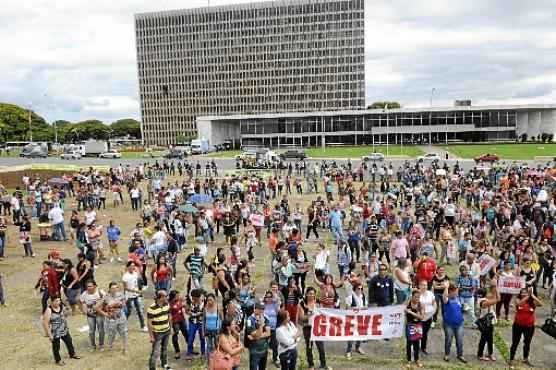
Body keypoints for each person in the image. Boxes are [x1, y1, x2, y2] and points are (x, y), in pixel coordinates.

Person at [508, 288, 542, 368]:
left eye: (525, 293)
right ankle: (511, 359)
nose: (523, 294)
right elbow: (519, 304)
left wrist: (532, 296)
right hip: (518, 325)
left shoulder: (532, 302)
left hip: (529, 326)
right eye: (522, 293)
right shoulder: (517, 299)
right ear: (520, 294)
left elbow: (540, 304)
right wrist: (528, 296)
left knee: (527, 343)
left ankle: (525, 358)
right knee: (515, 343)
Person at [42, 295, 81, 366]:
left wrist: (67, 311)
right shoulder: (49, 310)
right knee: (56, 346)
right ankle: (58, 360)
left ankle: (72, 354)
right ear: (52, 302)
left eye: (59, 300)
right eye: (56, 301)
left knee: (69, 341)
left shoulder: (61, 307)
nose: (58, 302)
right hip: (55, 332)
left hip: (64, 329)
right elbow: (45, 323)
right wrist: (49, 334)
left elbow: (64, 315)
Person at [96, 281, 128, 354]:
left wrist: (118, 304)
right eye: (113, 288)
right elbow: (96, 307)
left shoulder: (121, 295)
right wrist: (105, 314)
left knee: (124, 333)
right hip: (111, 319)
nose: (115, 289)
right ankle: (110, 346)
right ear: (109, 289)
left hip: (121, 317)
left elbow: (124, 304)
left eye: (116, 288)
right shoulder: (106, 297)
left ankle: (125, 347)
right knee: (111, 334)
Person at [147, 289, 173, 370]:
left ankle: (164, 364)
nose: (167, 297)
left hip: (166, 330)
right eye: (165, 296)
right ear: (160, 297)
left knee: (164, 349)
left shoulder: (167, 305)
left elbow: (169, 317)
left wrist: (170, 328)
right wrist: (151, 336)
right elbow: (149, 323)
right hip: (157, 333)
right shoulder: (151, 308)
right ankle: (152, 368)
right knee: (155, 351)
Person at [442, 284, 466, 363]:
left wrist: (464, 308)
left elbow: (461, 309)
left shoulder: (458, 298)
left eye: (457, 292)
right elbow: (444, 298)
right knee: (448, 339)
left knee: (460, 340)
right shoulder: (447, 299)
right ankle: (447, 354)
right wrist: (446, 287)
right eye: (455, 292)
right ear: (450, 292)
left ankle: (460, 355)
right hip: (448, 324)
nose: (456, 293)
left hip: (459, 323)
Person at [80, 280, 105, 350]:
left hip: (99, 314)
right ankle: (93, 345)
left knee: (101, 330)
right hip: (90, 315)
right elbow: (83, 304)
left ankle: (101, 345)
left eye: (90, 286)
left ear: (94, 286)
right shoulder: (84, 294)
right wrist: (85, 311)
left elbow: (105, 300)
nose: (89, 288)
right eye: (87, 286)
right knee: (91, 331)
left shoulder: (100, 292)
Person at [245, 301, 271, 370]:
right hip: (254, 351)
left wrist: (255, 336)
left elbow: (268, 333)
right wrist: (261, 325)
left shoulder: (266, 317)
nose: (262, 311)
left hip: (264, 350)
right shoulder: (249, 320)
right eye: (260, 309)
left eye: (263, 309)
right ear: (255, 309)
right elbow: (255, 335)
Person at [122, 261, 147, 331]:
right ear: (128, 267)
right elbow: (126, 288)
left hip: (136, 295)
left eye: (134, 266)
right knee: (128, 311)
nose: (133, 267)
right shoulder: (125, 276)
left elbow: (137, 284)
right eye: (132, 266)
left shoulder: (135, 274)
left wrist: (139, 290)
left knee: (139, 311)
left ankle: (143, 326)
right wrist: (135, 291)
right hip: (129, 297)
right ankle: (123, 325)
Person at [477, 286, 500, 362]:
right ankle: (480, 355)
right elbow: (497, 299)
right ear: (484, 294)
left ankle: (490, 354)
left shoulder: (482, 299)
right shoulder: (484, 302)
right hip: (486, 323)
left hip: (488, 322)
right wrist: (496, 289)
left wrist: (494, 290)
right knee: (484, 339)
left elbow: (492, 296)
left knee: (490, 339)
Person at [405, 289, 424, 367]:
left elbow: (421, 317)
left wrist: (410, 312)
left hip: (418, 326)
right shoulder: (408, 303)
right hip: (409, 325)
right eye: (415, 297)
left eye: (418, 297)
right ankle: (409, 360)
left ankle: (417, 360)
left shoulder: (421, 305)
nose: (417, 299)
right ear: (412, 297)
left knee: (417, 344)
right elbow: (402, 308)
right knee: (409, 344)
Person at [168, 290, 188, 360]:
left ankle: (190, 347)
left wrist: (185, 304)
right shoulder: (170, 304)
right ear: (173, 297)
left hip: (182, 320)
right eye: (177, 296)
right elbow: (169, 315)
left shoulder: (180, 300)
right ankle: (177, 351)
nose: (179, 296)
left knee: (186, 333)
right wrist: (170, 326)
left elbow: (184, 306)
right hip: (175, 322)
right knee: (175, 334)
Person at [417, 280, 436, 354]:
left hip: (429, 317)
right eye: (422, 285)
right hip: (419, 317)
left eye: (425, 285)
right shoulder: (416, 294)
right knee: (418, 333)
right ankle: (416, 347)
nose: (424, 286)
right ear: (419, 286)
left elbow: (434, 303)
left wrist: (433, 311)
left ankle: (423, 348)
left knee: (425, 333)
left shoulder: (430, 293)